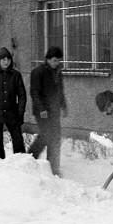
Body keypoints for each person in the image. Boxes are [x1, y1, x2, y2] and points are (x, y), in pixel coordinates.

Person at [29, 46, 67, 174]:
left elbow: (60, 91)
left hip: (54, 110)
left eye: (59, 61)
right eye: (55, 60)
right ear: (48, 59)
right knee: (45, 136)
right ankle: (29, 159)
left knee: (55, 138)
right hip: (43, 111)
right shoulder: (38, 72)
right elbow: (34, 92)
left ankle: (53, 168)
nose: (57, 63)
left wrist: (64, 106)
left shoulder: (57, 72)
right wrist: (42, 109)